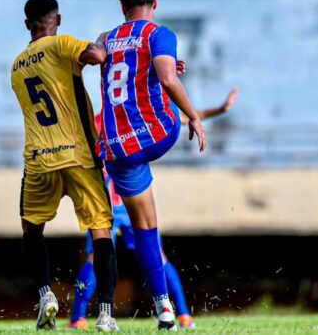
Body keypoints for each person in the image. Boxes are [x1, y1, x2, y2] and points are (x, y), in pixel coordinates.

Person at [69, 89, 239, 330]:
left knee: (97, 259)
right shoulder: (137, 119)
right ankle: (182, 315)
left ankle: (78, 318)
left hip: (106, 203)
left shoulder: (100, 122)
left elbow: (187, 115)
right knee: (156, 256)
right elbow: (186, 116)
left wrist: (219, 110)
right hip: (131, 201)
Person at [97, 0, 206, 330]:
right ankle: (168, 308)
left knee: (146, 226)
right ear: (154, 3)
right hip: (158, 135)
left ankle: (163, 308)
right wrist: (193, 116)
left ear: (122, 6)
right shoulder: (160, 34)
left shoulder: (106, 38)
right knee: (169, 104)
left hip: (117, 149)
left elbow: (106, 60)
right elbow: (166, 78)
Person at [10, 0, 119, 331]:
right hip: (79, 156)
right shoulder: (62, 44)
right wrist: (101, 40)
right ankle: (105, 314)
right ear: (58, 20)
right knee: (100, 231)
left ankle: (45, 295)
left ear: (27, 25)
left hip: (38, 161)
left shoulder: (16, 65)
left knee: (31, 229)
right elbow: (98, 56)